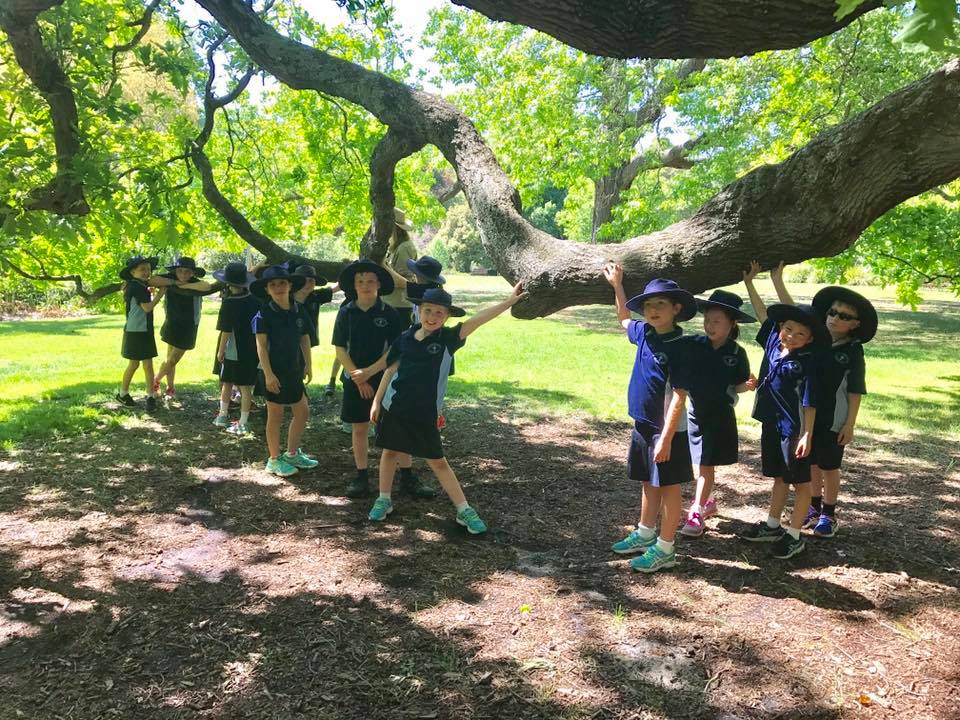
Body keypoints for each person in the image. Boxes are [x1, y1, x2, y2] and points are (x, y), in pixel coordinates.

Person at [367, 284, 526, 533]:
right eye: (427, 310)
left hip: (425, 414)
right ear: (419, 310)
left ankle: (464, 510)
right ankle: (383, 499)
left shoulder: (448, 339)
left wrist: (508, 302)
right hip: (394, 408)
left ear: (447, 316)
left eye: (439, 313)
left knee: (438, 462)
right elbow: (390, 369)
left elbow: (478, 320)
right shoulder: (405, 338)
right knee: (389, 453)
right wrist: (377, 402)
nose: (432, 317)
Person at [768, 265, 876, 538]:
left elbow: (855, 390)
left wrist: (849, 424)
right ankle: (813, 507)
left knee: (829, 466)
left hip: (833, 418)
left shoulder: (852, 351)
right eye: (832, 312)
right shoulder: (816, 339)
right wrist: (777, 280)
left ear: (855, 324)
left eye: (844, 316)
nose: (835, 318)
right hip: (809, 414)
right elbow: (795, 313)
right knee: (812, 463)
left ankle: (829, 513)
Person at [604, 265, 697, 573]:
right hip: (643, 424)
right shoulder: (644, 332)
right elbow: (623, 318)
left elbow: (680, 396)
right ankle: (645, 533)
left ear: (676, 309)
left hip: (667, 431)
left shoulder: (681, 347)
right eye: (648, 305)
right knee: (648, 481)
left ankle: (666, 549)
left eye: (660, 304)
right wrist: (617, 285)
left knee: (669, 487)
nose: (653, 310)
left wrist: (667, 439)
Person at [740, 260, 830, 559]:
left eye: (800, 334)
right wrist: (750, 283)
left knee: (800, 482)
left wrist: (807, 434)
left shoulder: (807, 362)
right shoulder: (773, 343)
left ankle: (794, 535)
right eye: (788, 329)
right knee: (779, 476)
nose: (791, 335)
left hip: (794, 430)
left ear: (810, 339)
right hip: (772, 423)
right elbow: (762, 313)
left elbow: (809, 401)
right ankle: (772, 525)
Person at [680, 289, 757, 537]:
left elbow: (737, 385)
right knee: (701, 464)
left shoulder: (736, 354)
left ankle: (696, 512)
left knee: (705, 465)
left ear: (731, 324)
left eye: (717, 321)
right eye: (707, 320)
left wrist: (746, 386)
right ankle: (709, 501)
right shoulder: (694, 344)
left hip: (719, 417)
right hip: (695, 414)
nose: (710, 326)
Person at [333, 258, 403, 497]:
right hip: (354, 379)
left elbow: (394, 350)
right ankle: (361, 475)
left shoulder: (389, 313)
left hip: (384, 378)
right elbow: (340, 349)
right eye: (360, 281)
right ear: (353, 285)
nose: (365, 285)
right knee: (359, 428)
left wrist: (371, 372)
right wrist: (359, 378)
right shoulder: (346, 312)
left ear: (379, 284)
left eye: (371, 281)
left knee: (393, 428)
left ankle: (406, 475)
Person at [250, 265, 319, 477]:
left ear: (290, 285)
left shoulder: (299, 310)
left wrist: (308, 364)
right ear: (267, 289)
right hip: (272, 372)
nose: (278, 287)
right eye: (273, 284)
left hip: (293, 369)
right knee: (276, 415)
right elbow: (261, 346)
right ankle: (273, 459)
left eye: (282, 283)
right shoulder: (263, 314)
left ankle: (291, 454)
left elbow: (305, 338)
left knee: (302, 411)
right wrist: (269, 374)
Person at [153, 257, 220, 404]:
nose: (183, 274)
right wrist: (175, 283)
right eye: (180, 271)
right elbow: (153, 280)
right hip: (171, 323)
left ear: (192, 273)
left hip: (188, 326)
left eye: (187, 272)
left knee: (172, 359)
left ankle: (155, 381)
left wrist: (184, 286)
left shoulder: (195, 282)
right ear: (175, 271)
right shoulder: (170, 278)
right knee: (170, 360)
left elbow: (206, 286)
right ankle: (170, 388)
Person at [116, 255, 176, 410]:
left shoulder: (138, 285)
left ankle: (150, 396)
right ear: (132, 272)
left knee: (147, 365)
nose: (146, 272)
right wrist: (161, 294)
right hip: (136, 331)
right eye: (142, 269)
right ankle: (123, 393)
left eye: (148, 269)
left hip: (143, 329)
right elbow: (147, 308)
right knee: (134, 364)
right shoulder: (136, 286)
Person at [212, 262, 261, 435]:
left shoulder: (229, 303)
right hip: (252, 348)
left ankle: (223, 415)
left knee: (227, 382)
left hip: (234, 349)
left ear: (228, 283)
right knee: (245, 386)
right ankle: (243, 420)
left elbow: (226, 330)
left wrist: (221, 350)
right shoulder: (255, 300)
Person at [380, 208, 419, 332]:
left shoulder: (404, 248)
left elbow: (403, 281)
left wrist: (383, 266)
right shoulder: (397, 246)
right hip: (393, 303)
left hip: (399, 304)